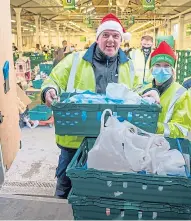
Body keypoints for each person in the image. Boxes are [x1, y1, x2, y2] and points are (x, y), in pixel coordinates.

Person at [41, 13, 158, 199]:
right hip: (75, 138)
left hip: (114, 138)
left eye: (115, 36)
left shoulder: (128, 65)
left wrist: (149, 92)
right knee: (67, 184)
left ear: (121, 40)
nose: (110, 40)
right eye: (106, 35)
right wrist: (49, 90)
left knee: (103, 187)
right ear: (97, 38)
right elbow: (54, 79)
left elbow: (138, 88)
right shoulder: (76, 60)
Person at [142, 41, 191, 138]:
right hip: (144, 142)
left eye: (166, 66)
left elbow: (182, 129)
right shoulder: (145, 89)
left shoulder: (182, 94)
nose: (162, 69)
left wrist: (156, 127)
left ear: (172, 70)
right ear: (151, 68)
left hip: (167, 146)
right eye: (157, 65)